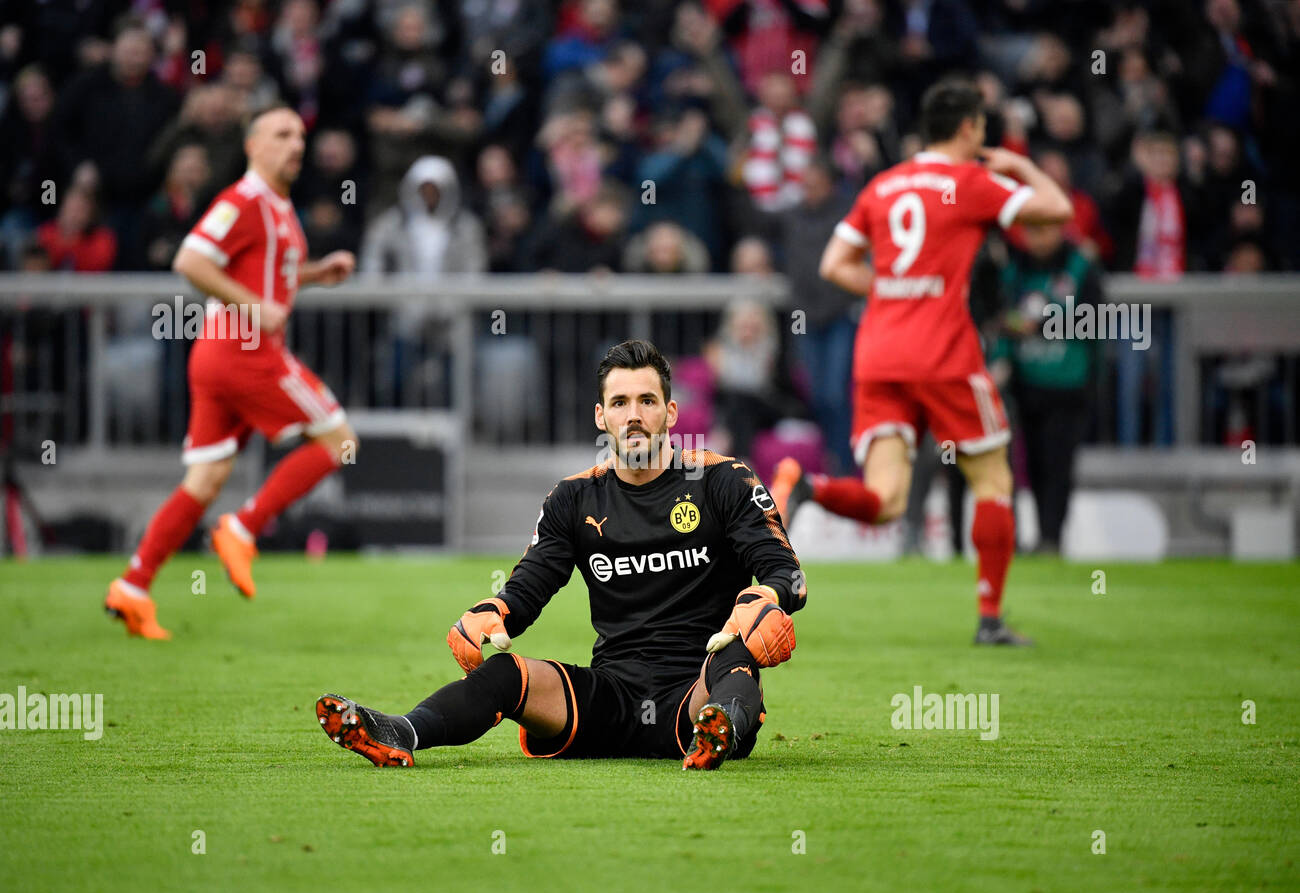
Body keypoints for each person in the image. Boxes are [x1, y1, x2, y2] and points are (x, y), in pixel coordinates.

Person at [317, 340, 806, 771]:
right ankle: (401, 732)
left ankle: (719, 732)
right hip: (611, 697)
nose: (633, 414)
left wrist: (766, 595)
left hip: (697, 685)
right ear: (601, 417)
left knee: (738, 645)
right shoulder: (574, 498)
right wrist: (493, 611)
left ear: (671, 413)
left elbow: (786, 572)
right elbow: (531, 584)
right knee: (506, 673)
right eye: (619, 402)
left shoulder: (723, 480)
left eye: (646, 401)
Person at [771, 80, 1071, 645]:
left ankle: (806, 486)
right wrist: (1018, 166)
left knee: (885, 503)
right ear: (969, 129)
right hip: (945, 355)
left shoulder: (884, 184)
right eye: (983, 127)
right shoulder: (972, 181)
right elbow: (1055, 211)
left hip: (880, 352)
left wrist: (891, 290)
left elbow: (835, 264)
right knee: (994, 480)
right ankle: (989, 620)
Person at [104, 105, 357, 640]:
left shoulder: (279, 207)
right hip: (244, 350)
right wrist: (254, 307)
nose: (296, 145)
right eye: (282, 134)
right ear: (253, 145)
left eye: (301, 135)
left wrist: (314, 275)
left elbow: (268, 278)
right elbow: (190, 261)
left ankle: (132, 585)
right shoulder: (242, 200)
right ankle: (242, 528)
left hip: (219, 356)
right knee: (340, 442)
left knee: (205, 478)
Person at [991, 220, 1102, 553]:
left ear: (1059, 230)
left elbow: (1095, 320)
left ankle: (1052, 537)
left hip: (1068, 386)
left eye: (1043, 230)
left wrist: (1038, 326)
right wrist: (1011, 330)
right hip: (1027, 384)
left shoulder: (1081, 266)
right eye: (1031, 230)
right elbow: (1000, 316)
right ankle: (1040, 537)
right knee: (1034, 464)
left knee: (1059, 464)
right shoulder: (1015, 270)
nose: (1037, 238)